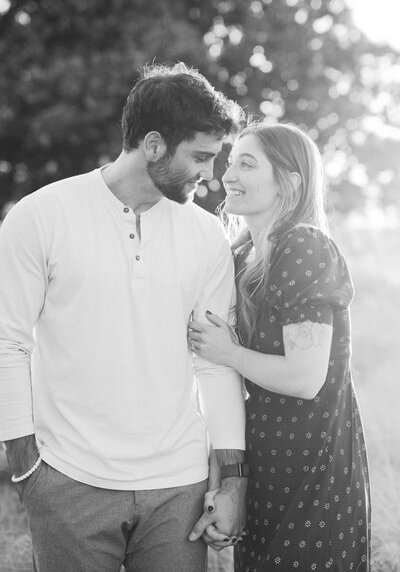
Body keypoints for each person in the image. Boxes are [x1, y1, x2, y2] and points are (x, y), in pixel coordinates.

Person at [0, 62, 249, 572]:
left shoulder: (206, 235)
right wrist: (26, 466)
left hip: (179, 487)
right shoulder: (40, 216)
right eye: (200, 157)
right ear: (153, 145)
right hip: (68, 481)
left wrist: (234, 477)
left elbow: (215, 363)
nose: (211, 174)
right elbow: (8, 341)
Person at [189, 122, 371, 571]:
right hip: (265, 466)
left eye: (246, 164)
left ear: (288, 182)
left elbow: (305, 378)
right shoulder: (240, 254)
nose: (227, 175)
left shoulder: (303, 246)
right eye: (230, 163)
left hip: (313, 470)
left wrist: (228, 352)